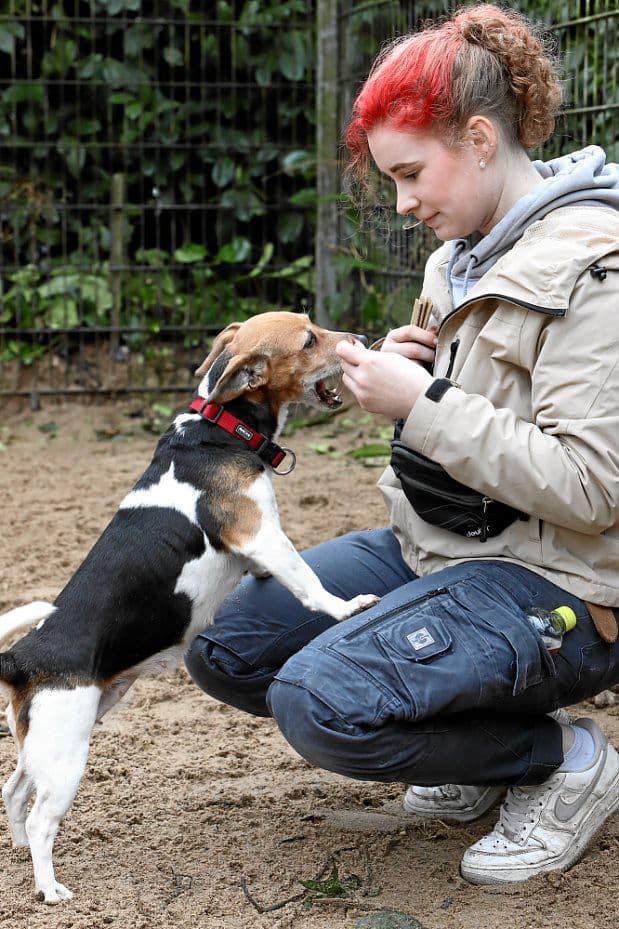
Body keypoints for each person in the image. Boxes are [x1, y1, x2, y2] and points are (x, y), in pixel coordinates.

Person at [185, 4, 619, 884]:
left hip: (561, 583)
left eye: (412, 172)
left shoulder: (594, 268)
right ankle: (465, 756)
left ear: (482, 137)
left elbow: (593, 486)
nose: (403, 202)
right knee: (223, 640)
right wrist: (410, 372)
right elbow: (460, 417)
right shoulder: (456, 257)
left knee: (320, 701)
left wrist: (421, 404)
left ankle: (561, 757)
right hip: (438, 550)